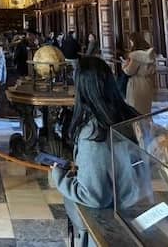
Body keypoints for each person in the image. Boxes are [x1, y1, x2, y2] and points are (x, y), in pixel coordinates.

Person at [50, 57, 143, 247]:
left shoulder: (94, 133)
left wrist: (59, 176)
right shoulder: (128, 115)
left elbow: (94, 196)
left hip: (106, 225)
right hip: (134, 213)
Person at [122, 33, 157, 115]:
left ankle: (137, 128)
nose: (130, 43)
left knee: (135, 110)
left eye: (131, 41)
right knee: (146, 110)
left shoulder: (136, 56)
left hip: (136, 84)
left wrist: (124, 65)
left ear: (134, 42)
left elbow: (129, 71)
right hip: (147, 83)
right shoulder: (150, 54)